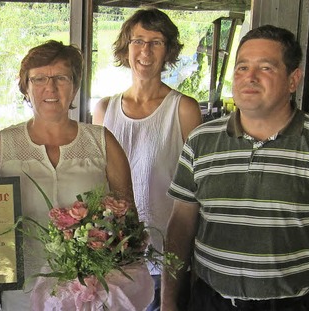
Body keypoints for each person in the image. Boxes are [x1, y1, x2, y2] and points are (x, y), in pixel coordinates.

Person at [162, 25, 309, 311]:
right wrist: (169, 304)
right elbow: (180, 228)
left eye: (265, 68)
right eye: (242, 67)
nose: (250, 77)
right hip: (210, 301)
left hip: (292, 304)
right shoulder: (201, 141)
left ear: (293, 80)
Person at [0, 40, 151, 310]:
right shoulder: (1, 146)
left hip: (91, 298)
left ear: (75, 86)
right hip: (22, 295)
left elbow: (128, 225)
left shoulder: (102, 141)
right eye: (39, 78)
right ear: (25, 88)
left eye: (61, 78)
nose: (50, 88)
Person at [92, 7, 202, 310]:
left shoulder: (184, 109)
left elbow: (196, 193)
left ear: (168, 51)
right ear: (126, 48)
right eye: (138, 41)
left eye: (156, 42)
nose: (146, 51)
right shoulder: (104, 109)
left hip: (164, 261)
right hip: (113, 258)